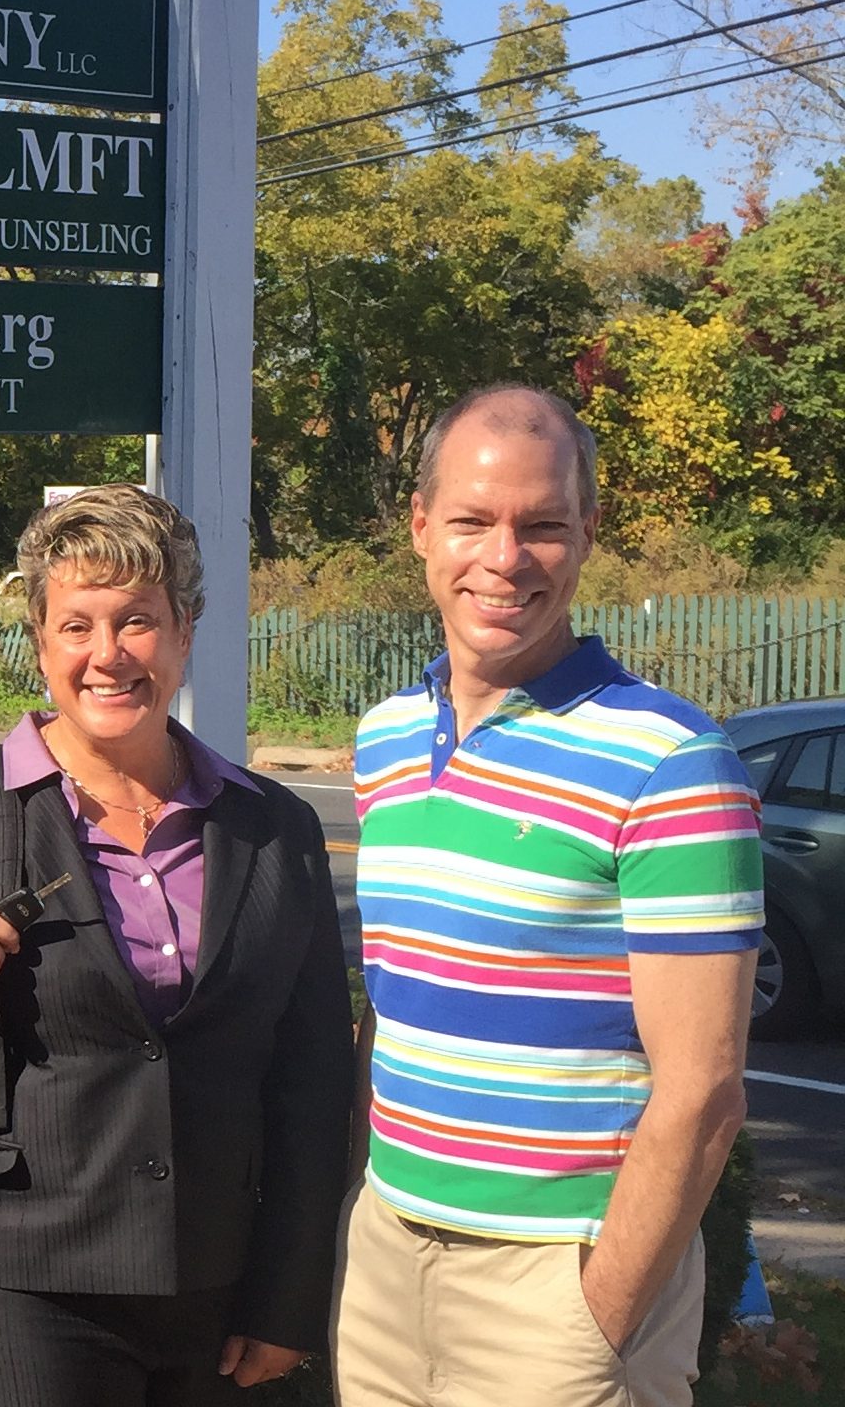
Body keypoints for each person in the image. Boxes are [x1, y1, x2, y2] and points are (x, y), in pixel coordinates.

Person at [0, 484, 353, 1406]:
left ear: (183, 632)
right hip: (3, 1286)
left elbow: (312, 1080)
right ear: (39, 642)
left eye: (137, 621)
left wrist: (290, 1293)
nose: (108, 654)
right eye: (76, 626)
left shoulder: (274, 830)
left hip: (209, 1293)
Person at [332, 386, 765, 1407]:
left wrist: (597, 1317)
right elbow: (393, 1004)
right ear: (420, 527)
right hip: (386, 1257)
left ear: (588, 534)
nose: (505, 557)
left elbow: (704, 1092)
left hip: (561, 1283)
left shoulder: (671, 763)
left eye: (543, 526)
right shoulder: (386, 737)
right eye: (473, 520)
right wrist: (357, 1204)